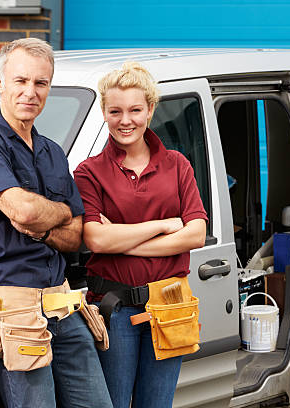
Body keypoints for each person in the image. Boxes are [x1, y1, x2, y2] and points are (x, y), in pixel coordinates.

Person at [0, 38, 112, 408]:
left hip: (62, 303)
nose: (30, 92)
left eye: (40, 83)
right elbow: (23, 212)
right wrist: (59, 212)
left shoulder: (51, 151)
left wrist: (47, 219)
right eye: (20, 81)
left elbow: (74, 235)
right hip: (10, 307)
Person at [73, 61, 208, 408]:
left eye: (135, 109)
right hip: (113, 309)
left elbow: (195, 233)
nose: (125, 120)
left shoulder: (178, 164)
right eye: (115, 111)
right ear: (104, 112)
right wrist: (162, 225)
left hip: (170, 304)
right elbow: (96, 241)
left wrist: (123, 240)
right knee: (113, 404)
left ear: (150, 109)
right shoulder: (89, 172)